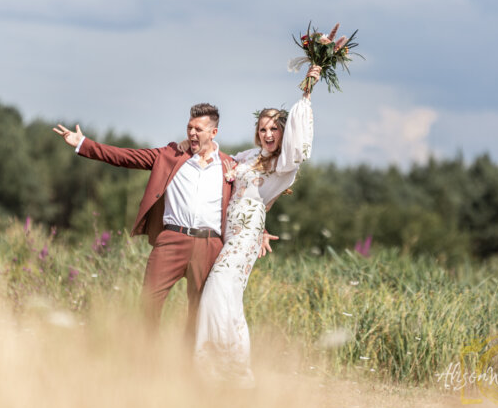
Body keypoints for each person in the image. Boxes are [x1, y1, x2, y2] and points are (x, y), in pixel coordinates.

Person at [53, 104, 237, 339]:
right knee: (149, 302)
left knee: (200, 312)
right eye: (189, 127)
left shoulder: (229, 166)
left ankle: (188, 367)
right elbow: (126, 157)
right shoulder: (170, 156)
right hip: (171, 240)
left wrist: (260, 230)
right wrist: (83, 143)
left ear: (213, 133)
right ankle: (146, 361)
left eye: (198, 129)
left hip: (209, 245)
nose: (192, 133)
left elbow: (249, 201)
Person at [193, 65, 320, 387]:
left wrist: (307, 91)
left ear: (284, 132)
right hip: (229, 232)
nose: (268, 134)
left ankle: (216, 365)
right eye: (263, 129)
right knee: (229, 298)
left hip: (244, 239)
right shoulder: (250, 156)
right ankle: (232, 371)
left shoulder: (284, 165)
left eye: (274, 129)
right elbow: (259, 197)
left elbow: (297, 143)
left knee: (217, 291)